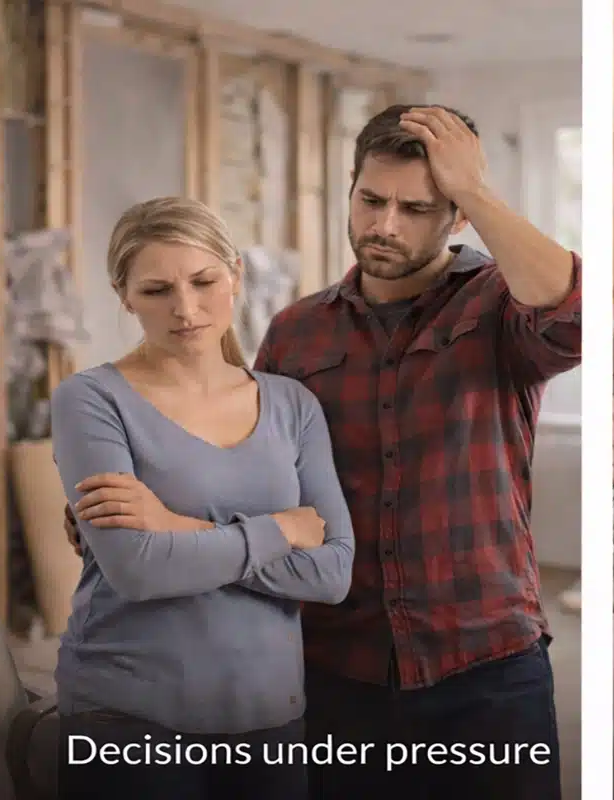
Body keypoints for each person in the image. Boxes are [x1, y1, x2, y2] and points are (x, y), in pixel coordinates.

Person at [66, 105, 581, 797]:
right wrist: (124, 516)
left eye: (415, 208)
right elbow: (247, 468)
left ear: (458, 216)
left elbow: (573, 319)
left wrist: (475, 188)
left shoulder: (499, 307)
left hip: (483, 659)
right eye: (371, 199)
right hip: (338, 666)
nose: (385, 225)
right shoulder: (299, 332)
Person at [48, 196, 355, 800]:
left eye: (203, 281)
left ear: (235, 274)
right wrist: (279, 531)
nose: (185, 309)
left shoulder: (292, 405)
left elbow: (332, 574)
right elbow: (137, 570)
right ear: (124, 296)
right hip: (127, 714)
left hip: (271, 716)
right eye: (157, 290)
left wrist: (178, 527)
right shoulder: (90, 400)